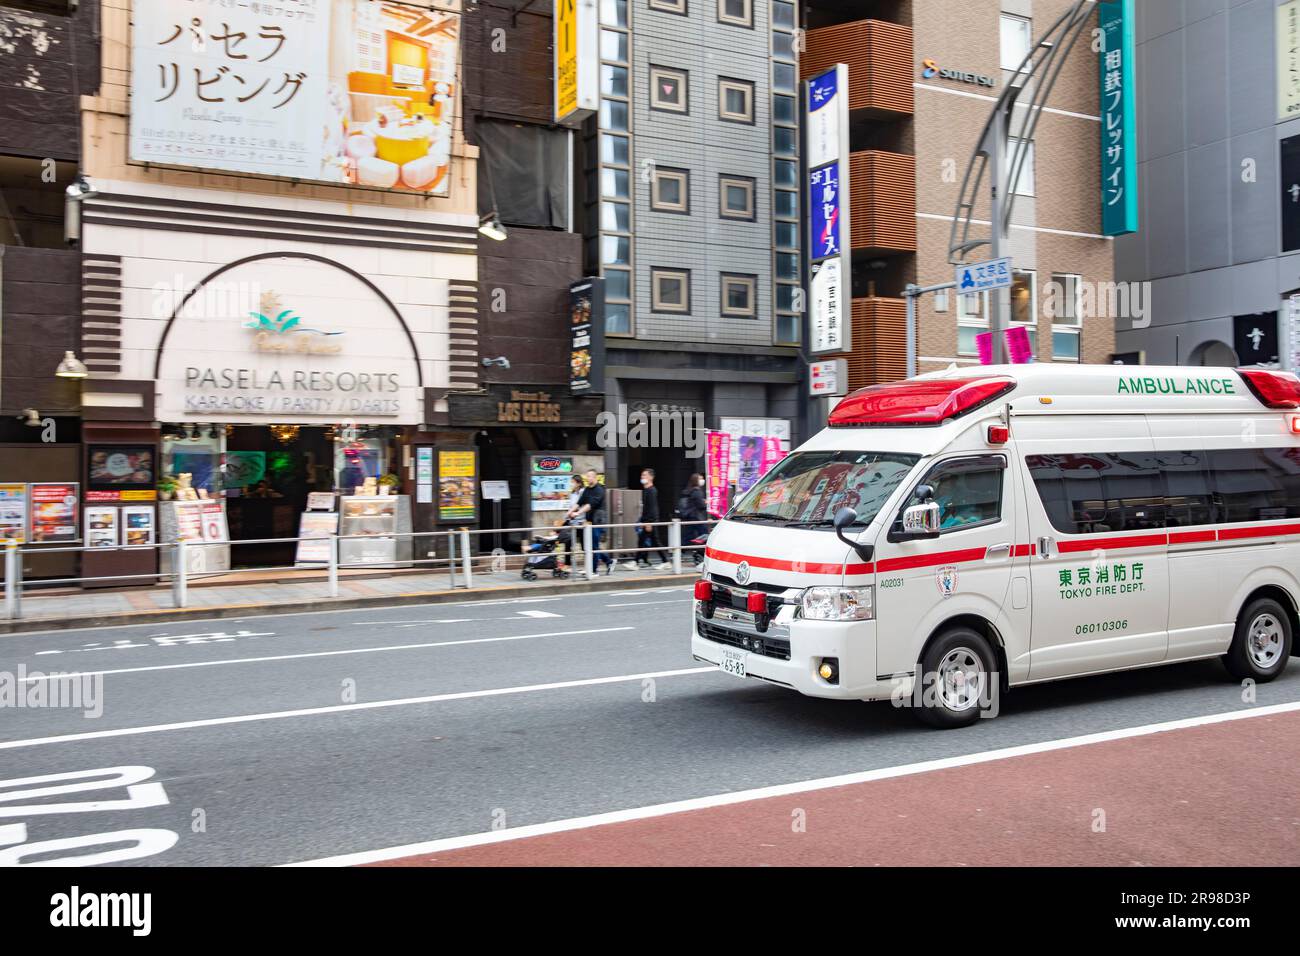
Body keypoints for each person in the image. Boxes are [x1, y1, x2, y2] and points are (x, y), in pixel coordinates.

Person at [569, 468, 614, 574]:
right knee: (593, 545)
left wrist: (577, 513)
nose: (587, 478)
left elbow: (590, 505)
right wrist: (570, 511)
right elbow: (579, 503)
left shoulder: (599, 490)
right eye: (587, 476)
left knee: (593, 545)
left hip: (598, 520)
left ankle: (593, 570)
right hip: (590, 521)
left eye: (589, 476)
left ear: (595, 477)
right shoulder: (587, 490)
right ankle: (608, 561)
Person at [624, 468, 665, 570]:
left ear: (651, 477)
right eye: (642, 476)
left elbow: (652, 508)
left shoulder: (652, 490)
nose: (642, 477)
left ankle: (665, 561)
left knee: (653, 542)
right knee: (643, 541)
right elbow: (646, 508)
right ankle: (636, 561)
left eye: (645, 475)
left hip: (651, 522)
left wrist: (649, 522)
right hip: (648, 521)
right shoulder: (646, 490)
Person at [678, 473, 709, 567]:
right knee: (703, 537)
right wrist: (705, 502)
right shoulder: (697, 491)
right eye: (700, 478)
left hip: (690, 517)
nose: (702, 480)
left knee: (688, 536)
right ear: (696, 480)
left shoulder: (688, 491)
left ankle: (679, 553)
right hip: (697, 518)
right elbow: (701, 506)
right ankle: (698, 555)